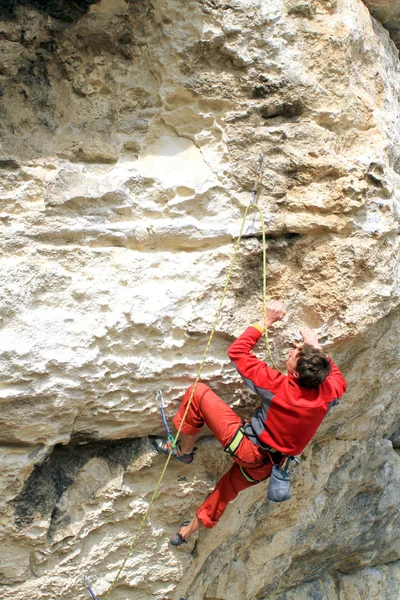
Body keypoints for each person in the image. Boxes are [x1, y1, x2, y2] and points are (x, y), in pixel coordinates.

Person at [153, 301, 347, 546]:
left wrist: (266, 321)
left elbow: (237, 352)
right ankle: (185, 533)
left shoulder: (280, 387)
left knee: (197, 392)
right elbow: (339, 380)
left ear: (296, 375)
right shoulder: (329, 392)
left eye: (293, 354)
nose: (290, 351)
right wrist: (316, 350)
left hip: (248, 449)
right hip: (269, 466)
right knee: (224, 493)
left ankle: (183, 451)